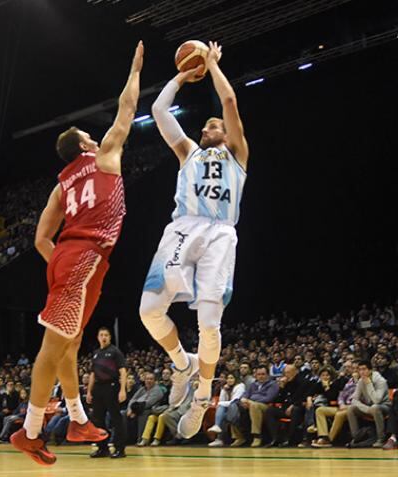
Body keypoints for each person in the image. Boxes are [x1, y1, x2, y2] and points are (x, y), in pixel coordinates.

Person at [10, 41, 144, 466]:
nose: (93, 135)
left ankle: (76, 418)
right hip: (84, 257)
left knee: (71, 345)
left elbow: (40, 238)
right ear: (86, 145)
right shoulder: (105, 156)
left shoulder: (61, 184)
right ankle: (30, 431)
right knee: (53, 349)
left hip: (75, 260)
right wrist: (136, 68)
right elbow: (127, 108)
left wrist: (61, 266)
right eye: (89, 134)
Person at [139, 41, 250, 439]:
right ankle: (182, 365)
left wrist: (214, 64)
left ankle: (203, 396)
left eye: (212, 125)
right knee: (149, 310)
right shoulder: (187, 152)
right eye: (204, 126)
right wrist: (182, 76)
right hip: (182, 227)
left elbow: (231, 102)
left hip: (220, 233)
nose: (206, 128)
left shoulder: (237, 154)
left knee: (208, 321)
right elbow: (157, 111)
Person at [86, 327, 127, 458]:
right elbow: (92, 374)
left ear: (110, 337)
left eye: (106, 335)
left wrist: (122, 390)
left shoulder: (115, 352)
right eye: (101, 335)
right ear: (98, 337)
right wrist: (89, 391)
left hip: (112, 386)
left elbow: (123, 371)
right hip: (98, 388)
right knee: (98, 419)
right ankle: (102, 448)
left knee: (116, 419)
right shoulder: (96, 353)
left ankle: (120, 449)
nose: (103, 337)